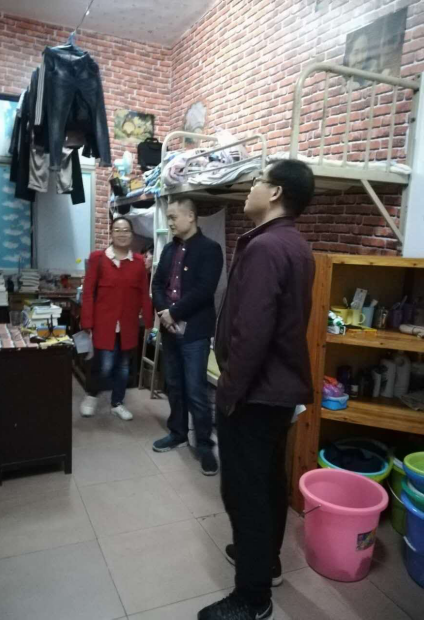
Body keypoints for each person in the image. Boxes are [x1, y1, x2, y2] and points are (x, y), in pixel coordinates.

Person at [199, 160, 316, 621]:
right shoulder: (295, 244)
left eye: (256, 181)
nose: (249, 189)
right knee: (267, 483)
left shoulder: (266, 247)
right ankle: (266, 562)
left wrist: (228, 390)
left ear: (276, 192)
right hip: (277, 391)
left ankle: (252, 598)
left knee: (243, 492)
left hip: (255, 392)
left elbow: (252, 332)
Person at [152, 198, 224, 476]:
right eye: (168, 217)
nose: (169, 222)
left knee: (195, 390)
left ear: (191, 216)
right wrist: (163, 313)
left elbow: (205, 290)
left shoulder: (210, 249)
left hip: (194, 330)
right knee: (174, 384)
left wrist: (174, 312)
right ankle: (178, 433)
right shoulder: (169, 249)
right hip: (169, 329)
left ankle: (204, 445)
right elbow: (158, 284)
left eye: (173, 217)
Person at [80, 217, 153, 421]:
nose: (122, 234)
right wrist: (87, 321)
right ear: (111, 233)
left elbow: (143, 293)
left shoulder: (138, 262)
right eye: (117, 230)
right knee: (104, 366)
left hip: (128, 324)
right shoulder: (98, 258)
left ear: (132, 234)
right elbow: (88, 292)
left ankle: (117, 403)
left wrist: (148, 321)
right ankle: (91, 395)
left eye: (126, 230)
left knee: (123, 367)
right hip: (104, 323)